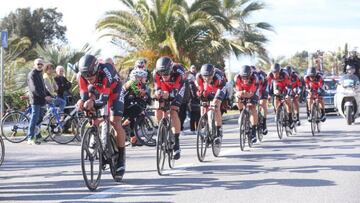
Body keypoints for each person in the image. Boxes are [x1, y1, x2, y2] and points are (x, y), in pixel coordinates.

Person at [76, 54, 126, 180]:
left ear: (96, 69)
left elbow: (103, 100)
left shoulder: (106, 71)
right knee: (88, 107)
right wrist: (82, 102)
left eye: (91, 75)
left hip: (114, 91)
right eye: (86, 76)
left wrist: (92, 103)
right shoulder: (81, 76)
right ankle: (97, 140)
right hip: (97, 90)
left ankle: (121, 157)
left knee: (115, 122)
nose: (89, 78)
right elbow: (84, 95)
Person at [153, 56, 185, 160]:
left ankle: (176, 144)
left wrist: (168, 95)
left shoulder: (178, 73)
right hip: (165, 87)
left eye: (166, 73)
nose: (164, 75)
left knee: (173, 111)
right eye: (162, 73)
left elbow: (175, 93)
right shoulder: (156, 74)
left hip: (177, 88)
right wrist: (158, 93)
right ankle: (162, 131)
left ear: (171, 70)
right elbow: (157, 87)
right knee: (158, 106)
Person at [195, 64, 227, 143]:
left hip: (219, 88)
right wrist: (201, 95)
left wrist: (215, 100)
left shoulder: (218, 77)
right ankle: (205, 127)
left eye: (209, 77)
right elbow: (200, 91)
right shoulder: (199, 77)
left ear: (212, 74)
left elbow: (221, 90)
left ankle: (219, 132)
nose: (206, 78)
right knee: (203, 106)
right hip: (208, 89)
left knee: (216, 106)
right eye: (204, 76)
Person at [26, 58, 53, 145]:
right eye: (38, 64)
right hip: (35, 100)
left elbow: (43, 88)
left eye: (41, 64)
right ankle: (30, 137)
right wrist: (45, 96)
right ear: (34, 65)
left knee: (40, 119)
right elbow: (34, 89)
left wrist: (50, 95)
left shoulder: (40, 74)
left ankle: (38, 136)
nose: (40, 65)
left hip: (42, 100)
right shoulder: (32, 74)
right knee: (34, 118)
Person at [122, 69, 149, 146]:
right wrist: (147, 96)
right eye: (144, 77)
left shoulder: (134, 83)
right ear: (138, 78)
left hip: (126, 105)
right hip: (123, 106)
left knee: (133, 118)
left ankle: (133, 139)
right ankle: (124, 126)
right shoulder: (132, 83)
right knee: (138, 111)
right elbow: (139, 94)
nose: (145, 79)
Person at [234, 65, 258, 143]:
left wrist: (244, 94)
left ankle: (254, 132)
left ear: (250, 76)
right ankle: (242, 113)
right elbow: (238, 91)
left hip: (253, 92)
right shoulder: (237, 78)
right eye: (243, 77)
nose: (244, 79)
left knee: (252, 107)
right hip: (243, 91)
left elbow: (251, 94)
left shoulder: (255, 78)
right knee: (237, 97)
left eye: (247, 77)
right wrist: (240, 93)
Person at [267, 63, 294, 129]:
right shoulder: (270, 75)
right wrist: (268, 95)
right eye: (274, 72)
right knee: (276, 97)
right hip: (277, 86)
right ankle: (277, 112)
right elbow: (267, 86)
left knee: (288, 100)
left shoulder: (285, 74)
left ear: (280, 71)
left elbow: (289, 86)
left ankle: (290, 118)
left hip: (285, 86)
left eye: (277, 72)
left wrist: (288, 94)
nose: (275, 74)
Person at [251, 65, 268, 135]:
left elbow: (258, 89)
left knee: (262, 103)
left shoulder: (259, 77)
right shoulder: (249, 78)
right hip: (255, 89)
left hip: (263, 88)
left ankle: (264, 124)